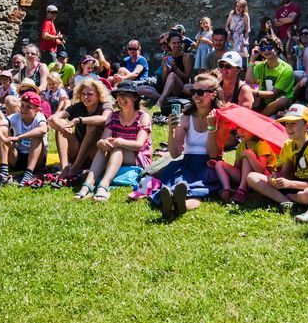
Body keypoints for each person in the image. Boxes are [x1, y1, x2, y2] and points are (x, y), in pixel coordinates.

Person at [245, 104, 308, 216]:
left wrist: (290, 184)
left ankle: (288, 198)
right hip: (292, 184)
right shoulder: (288, 144)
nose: (289, 127)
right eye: (286, 124)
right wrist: (276, 176)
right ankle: (287, 202)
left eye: (294, 123)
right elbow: (285, 174)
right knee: (252, 177)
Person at [156, 74, 221, 220]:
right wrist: (171, 130)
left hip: (209, 164)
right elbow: (174, 153)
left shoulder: (220, 117)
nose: (196, 96)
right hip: (187, 163)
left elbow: (212, 154)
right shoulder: (185, 117)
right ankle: (176, 205)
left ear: (213, 94)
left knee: (199, 191)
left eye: (200, 92)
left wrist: (212, 128)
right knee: (181, 184)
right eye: (193, 92)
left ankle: (173, 206)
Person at [80, 82, 153, 201]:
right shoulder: (113, 116)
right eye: (119, 95)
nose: (121, 98)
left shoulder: (142, 116)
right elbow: (104, 139)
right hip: (117, 153)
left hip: (138, 156)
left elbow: (139, 145)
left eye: (125, 95)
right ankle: (88, 184)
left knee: (118, 149)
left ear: (135, 97)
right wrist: (101, 143)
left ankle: (104, 185)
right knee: (104, 148)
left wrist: (119, 142)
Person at [50, 76, 112, 186]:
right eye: (83, 94)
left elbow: (104, 118)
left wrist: (79, 120)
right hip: (78, 150)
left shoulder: (105, 105)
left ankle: (74, 168)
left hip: (97, 153)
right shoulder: (78, 106)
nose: (85, 97)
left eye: (90, 94)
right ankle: (64, 167)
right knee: (62, 126)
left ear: (98, 95)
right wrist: (63, 126)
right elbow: (52, 119)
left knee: (92, 126)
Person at [247, 38, 297, 115]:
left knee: (283, 100)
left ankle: (260, 117)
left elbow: (273, 94)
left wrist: (252, 92)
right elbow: (249, 82)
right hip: (264, 101)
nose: (266, 51)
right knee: (246, 87)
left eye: (269, 47)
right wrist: (252, 60)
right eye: (263, 48)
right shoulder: (260, 66)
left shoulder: (287, 69)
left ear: (277, 49)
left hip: (281, 105)